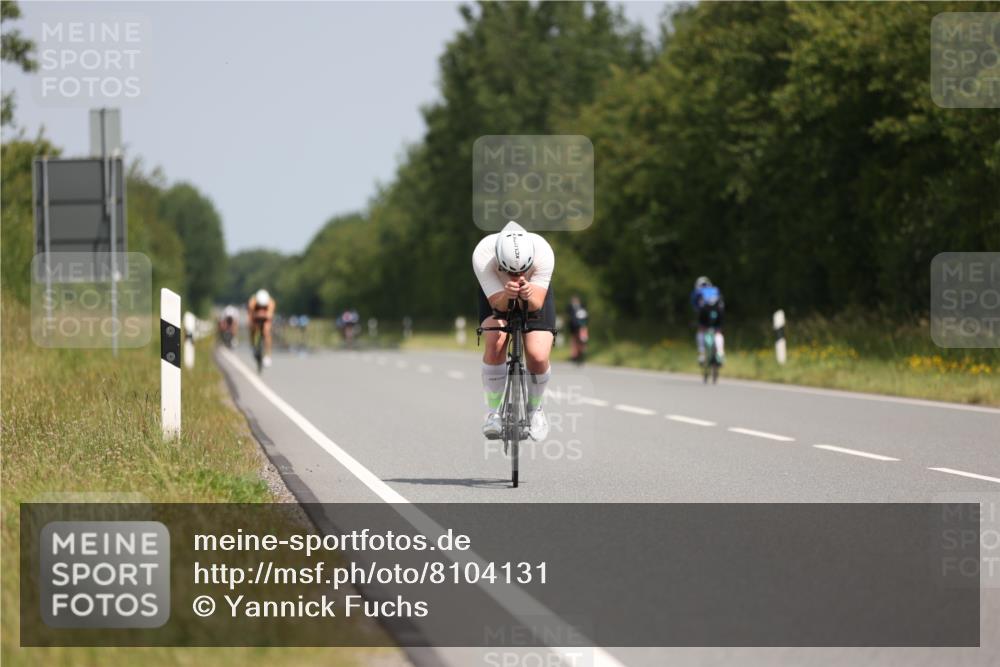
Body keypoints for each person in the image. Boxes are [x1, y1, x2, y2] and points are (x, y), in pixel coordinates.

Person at [473, 220, 555, 441]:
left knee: (537, 355)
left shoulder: (543, 252)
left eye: (522, 272)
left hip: (534, 292)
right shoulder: (483, 255)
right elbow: (497, 306)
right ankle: (493, 414)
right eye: (509, 272)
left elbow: (537, 304)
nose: (516, 277)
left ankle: (535, 410)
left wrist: (528, 294)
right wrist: (506, 296)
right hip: (497, 294)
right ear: (499, 262)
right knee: (496, 340)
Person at [690, 276, 725, 365]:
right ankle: (720, 353)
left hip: (705, 311)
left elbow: (695, 308)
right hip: (718, 311)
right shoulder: (716, 289)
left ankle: (702, 354)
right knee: (718, 332)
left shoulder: (697, 291)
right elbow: (722, 304)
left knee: (701, 330)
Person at [247, 289, 276, 367]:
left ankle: (267, 355)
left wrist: (262, 315)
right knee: (252, 328)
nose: (262, 307)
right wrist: (254, 318)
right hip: (255, 318)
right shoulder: (252, 302)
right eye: (260, 305)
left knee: (266, 331)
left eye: (263, 306)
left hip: (265, 319)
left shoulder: (271, 302)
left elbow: (270, 316)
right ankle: (253, 346)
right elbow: (250, 315)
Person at [566, 295, 589, 364]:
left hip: (582, 328)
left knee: (582, 341)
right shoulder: (570, 308)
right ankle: (575, 355)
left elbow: (586, 318)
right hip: (574, 328)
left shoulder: (582, 307)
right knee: (574, 341)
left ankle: (581, 354)